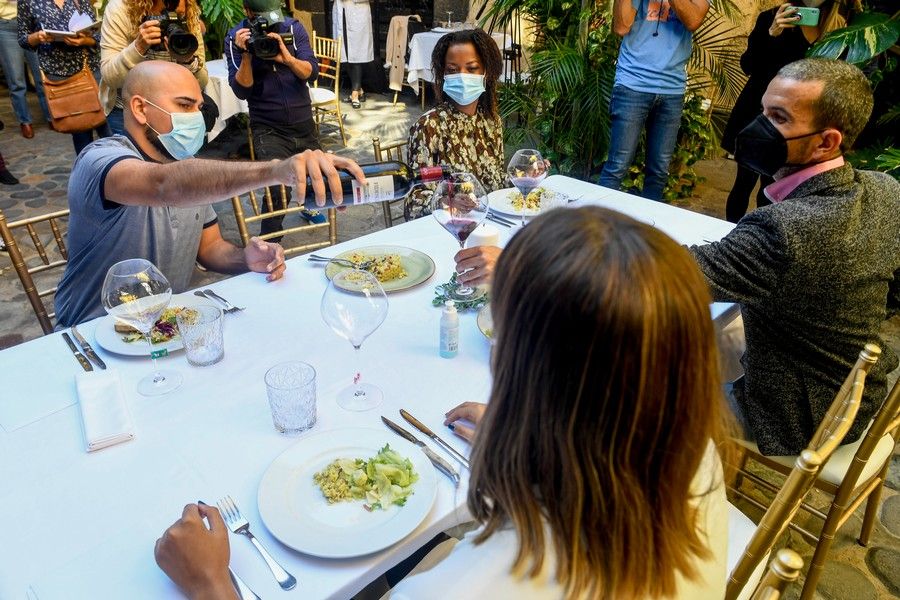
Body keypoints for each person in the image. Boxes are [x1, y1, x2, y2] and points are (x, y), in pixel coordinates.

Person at [156, 206, 731, 599]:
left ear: (520, 364)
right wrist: (533, 439)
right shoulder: (683, 445)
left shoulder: (484, 582)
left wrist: (212, 585)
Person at [690, 58, 900, 456]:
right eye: (763, 111)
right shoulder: (884, 188)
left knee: (639, 389)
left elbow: (671, 274)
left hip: (793, 416)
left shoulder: (785, 228)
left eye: (779, 118)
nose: (758, 128)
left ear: (826, 142)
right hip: (858, 393)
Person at [54, 60, 365, 327]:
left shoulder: (188, 171)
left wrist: (246, 258)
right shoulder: (99, 160)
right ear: (140, 108)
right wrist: (274, 170)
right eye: (184, 105)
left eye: (199, 108)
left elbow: (210, 248)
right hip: (89, 337)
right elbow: (163, 185)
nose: (195, 118)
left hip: (163, 330)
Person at [721, 0, 840, 223]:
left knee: (773, 189)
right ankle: (729, 235)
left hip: (798, 123)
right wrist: (772, 33)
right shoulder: (772, 17)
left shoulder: (838, 28)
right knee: (743, 183)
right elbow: (749, 65)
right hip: (760, 113)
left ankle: (758, 240)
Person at [405, 29, 506, 286]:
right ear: (442, 75)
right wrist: (446, 201)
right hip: (448, 243)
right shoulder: (430, 126)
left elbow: (497, 183)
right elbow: (413, 205)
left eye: (472, 68)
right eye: (452, 70)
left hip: (490, 237)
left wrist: (520, 181)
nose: (462, 76)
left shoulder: (492, 122)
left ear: (487, 73)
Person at [225, 0, 325, 237]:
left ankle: (309, 208)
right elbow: (242, 91)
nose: (271, 26)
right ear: (248, 11)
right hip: (268, 128)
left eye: (274, 19)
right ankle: (270, 244)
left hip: (303, 122)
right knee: (277, 190)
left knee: (317, 178)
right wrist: (247, 55)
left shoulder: (292, 28)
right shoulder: (235, 38)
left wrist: (286, 58)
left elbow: (311, 71)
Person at [598, 0, 710, 200]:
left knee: (658, 172)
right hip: (632, 84)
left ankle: (648, 228)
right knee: (617, 166)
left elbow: (693, 21)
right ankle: (597, 227)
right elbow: (622, 27)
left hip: (672, 89)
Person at [18, 0, 113, 155]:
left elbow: (97, 35)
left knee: (108, 129)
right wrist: (37, 37)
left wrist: (84, 40)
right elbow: (23, 39)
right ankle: (87, 173)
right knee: (81, 134)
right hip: (59, 76)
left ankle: (119, 170)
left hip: (89, 70)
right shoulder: (29, 2)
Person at [99, 0, 208, 135]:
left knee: (182, 156)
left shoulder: (188, 8)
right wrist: (138, 48)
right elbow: (110, 78)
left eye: (179, 16)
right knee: (132, 156)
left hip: (177, 114)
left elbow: (202, 82)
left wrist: (187, 61)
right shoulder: (121, 8)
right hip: (127, 113)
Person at [1, 0, 50, 138]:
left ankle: (51, 117)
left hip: (32, 25)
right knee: (16, 80)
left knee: (41, 76)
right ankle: (25, 121)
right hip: (7, 26)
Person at [332, 0, 372, 109]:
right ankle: (360, 91)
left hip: (357, 14)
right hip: (342, 13)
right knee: (344, 55)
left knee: (356, 55)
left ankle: (355, 93)